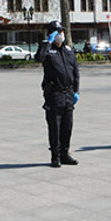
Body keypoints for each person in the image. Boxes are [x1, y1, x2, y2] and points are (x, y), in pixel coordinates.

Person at [36, 20, 80, 167]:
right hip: (54, 94)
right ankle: (55, 156)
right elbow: (39, 58)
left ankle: (65, 153)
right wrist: (47, 43)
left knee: (67, 126)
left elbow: (75, 71)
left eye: (61, 32)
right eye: (57, 32)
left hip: (68, 94)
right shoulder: (47, 49)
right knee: (55, 126)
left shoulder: (67, 50)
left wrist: (76, 91)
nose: (60, 35)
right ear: (51, 34)